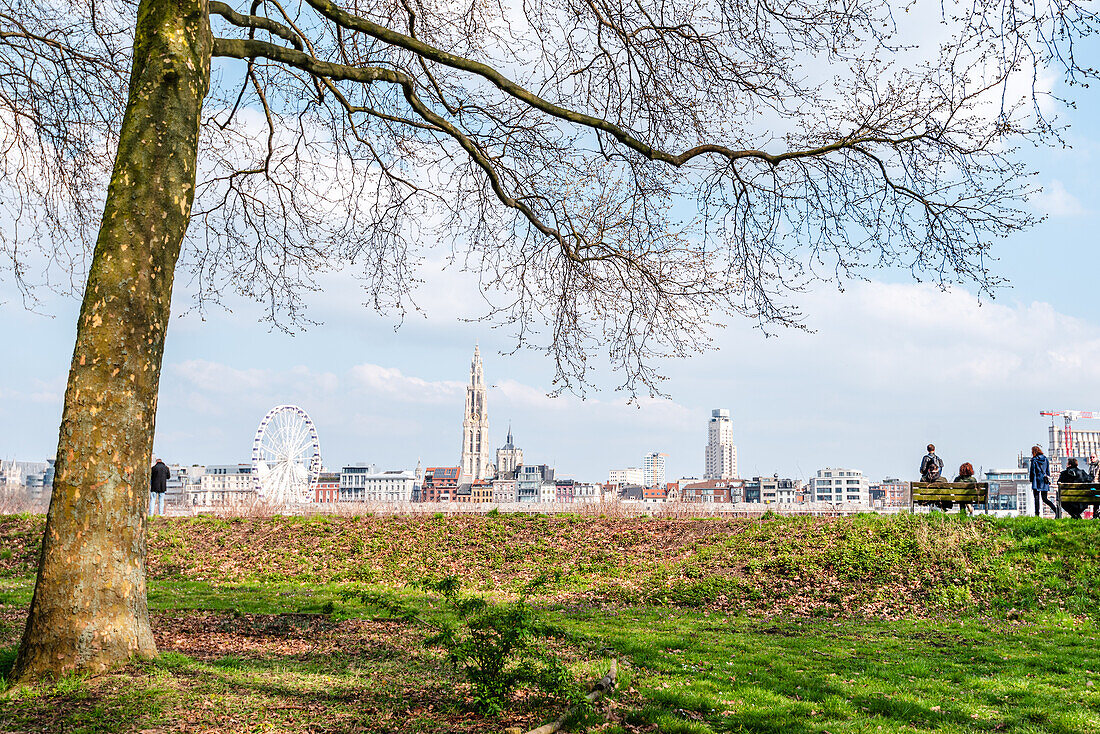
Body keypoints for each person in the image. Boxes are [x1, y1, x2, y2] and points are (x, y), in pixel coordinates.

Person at [1029, 445, 1058, 518]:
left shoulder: (1034, 460)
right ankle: (1056, 510)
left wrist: (1031, 479)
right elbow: (1048, 471)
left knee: (1036, 498)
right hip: (1044, 481)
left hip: (1036, 481)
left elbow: (1032, 471)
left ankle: (1037, 515)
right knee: (1045, 499)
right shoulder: (1045, 459)